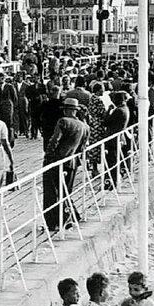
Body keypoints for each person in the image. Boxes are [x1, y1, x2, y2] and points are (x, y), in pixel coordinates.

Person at [43, 98, 90, 231]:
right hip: (72, 163)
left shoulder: (63, 122)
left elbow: (54, 141)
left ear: (67, 110)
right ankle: (70, 216)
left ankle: (53, 222)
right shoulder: (84, 126)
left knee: (51, 192)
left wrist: (48, 158)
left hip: (57, 161)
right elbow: (82, 148)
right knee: (65, 191)